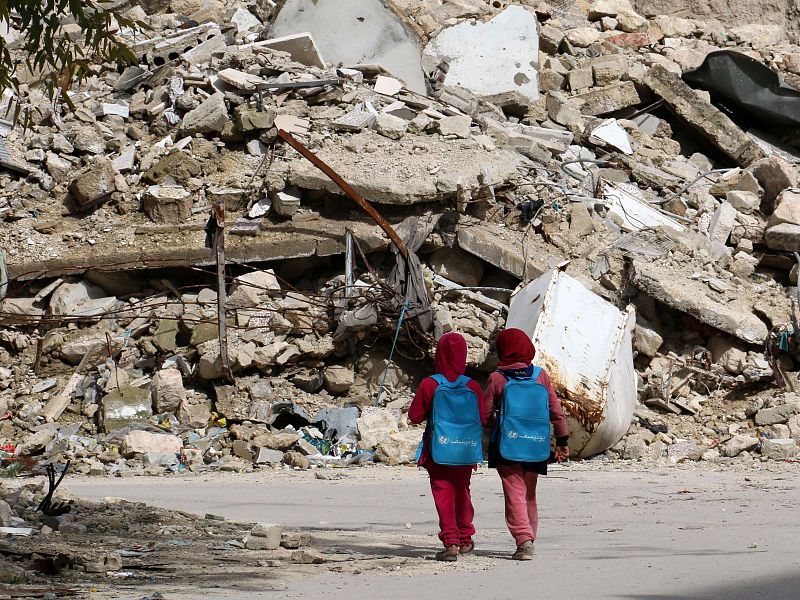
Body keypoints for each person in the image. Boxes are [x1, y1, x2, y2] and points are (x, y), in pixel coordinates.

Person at [483, 328, 569, 561]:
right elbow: (555, 410)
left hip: (506, 445)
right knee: (529, 493)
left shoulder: (497, 378)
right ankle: (529, 536)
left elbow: (485, 414)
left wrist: (491, 429)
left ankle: (524, 540)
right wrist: (562, 440)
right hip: (536, 445)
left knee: (514, 492)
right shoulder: (541, 375)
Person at [408, 332, 488, 562]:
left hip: (438, 450)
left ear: (439, 354)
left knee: (443, 493)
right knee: (463, 492)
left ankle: (450, 542)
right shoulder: (472, 386)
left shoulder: (430, 384)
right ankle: (465, 538)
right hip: (465, 450)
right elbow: (481, 418)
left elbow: (415, 416)